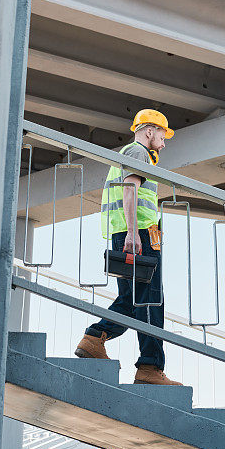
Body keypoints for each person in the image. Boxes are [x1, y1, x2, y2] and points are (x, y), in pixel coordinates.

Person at [74, 109, 183, 386]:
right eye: (162, 134)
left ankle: (94, 338)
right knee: (150, 300)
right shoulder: (138, 153)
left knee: (132, 301)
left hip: (132, 233)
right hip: (139, 236)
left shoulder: (134, 153)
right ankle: (150, 368)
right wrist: (134, 233)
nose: (164, 141)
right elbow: (130, 190)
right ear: (149, 131)